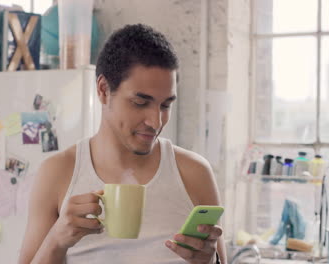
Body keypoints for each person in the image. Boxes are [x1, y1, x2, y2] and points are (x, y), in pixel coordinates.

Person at [18, 24, 226, 264]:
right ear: (104, 90)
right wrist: (57, 239)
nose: (156, 121)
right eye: (140, 102)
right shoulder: (57, 173)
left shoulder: (194, 172)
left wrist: (210, 262)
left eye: (166, 105)